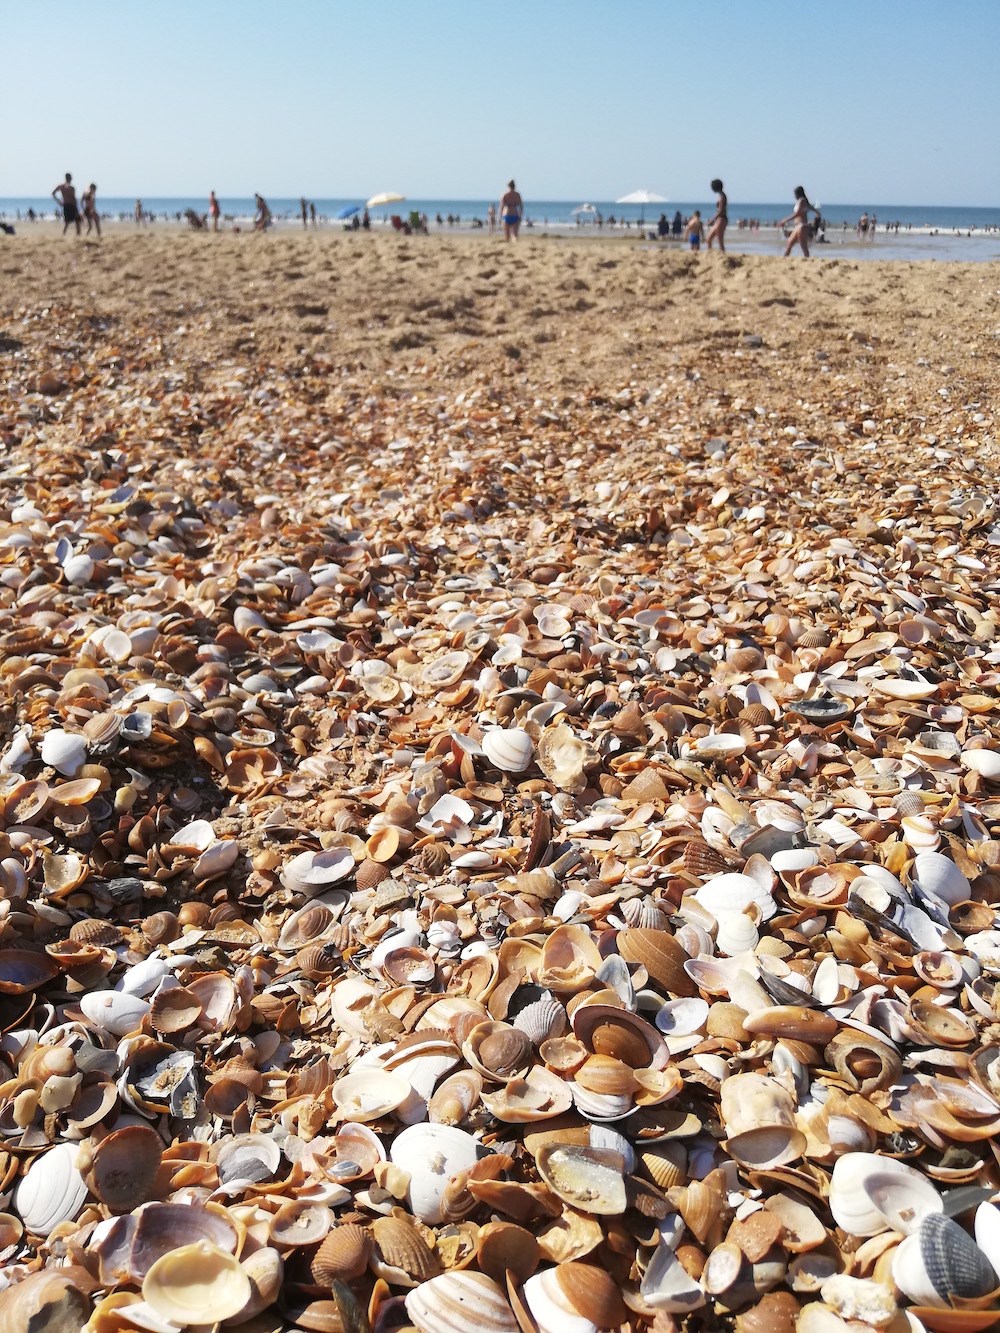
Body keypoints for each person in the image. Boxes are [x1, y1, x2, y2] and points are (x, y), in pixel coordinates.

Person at [779, 186, 818, 256]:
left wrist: (785, 220)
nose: (794, 196)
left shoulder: (802, 201)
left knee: (804, 247)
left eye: (794, 194)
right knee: (789, 244)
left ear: (797, 193)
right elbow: (811, 208)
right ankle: (785, 260)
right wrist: (818, 213)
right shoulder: (803, 201)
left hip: (801, 226)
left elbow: (797, 214)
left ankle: (807, 262)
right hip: (798, 227)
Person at [707, 178, 727, 251]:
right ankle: (710, 255)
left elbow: (721, 210)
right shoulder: (720, 195)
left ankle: (722, 257)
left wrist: (712, 219)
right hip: (720, 219)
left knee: (720, 241)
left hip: (721, 219)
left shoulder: (722, 196)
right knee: (708, 239)